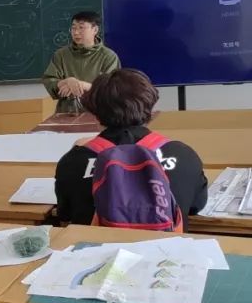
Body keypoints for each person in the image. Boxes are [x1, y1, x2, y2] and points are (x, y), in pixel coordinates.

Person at [55, 69, 208, 226]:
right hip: (166, 241)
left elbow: (65, 215)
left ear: (95, 113)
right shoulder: (184, 155)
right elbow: (196, 206)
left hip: (97, 242)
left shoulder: (73, 162)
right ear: (150, 107)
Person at [43, 11, 121, 113]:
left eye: (81, 27)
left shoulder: (108, 56)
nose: (76, 32)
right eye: (73, 28)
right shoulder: (61, 55)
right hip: (67, 112)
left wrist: (83, 85)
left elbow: (112, 88)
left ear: (95, 30)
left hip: (99, 113)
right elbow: (49, 80)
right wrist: (65, 82)